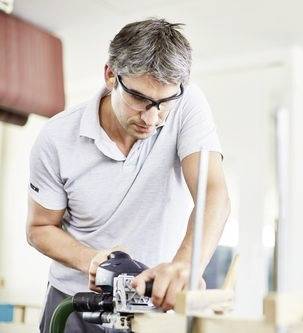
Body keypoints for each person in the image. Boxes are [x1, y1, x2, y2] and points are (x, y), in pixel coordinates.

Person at [26, 18, 230, 333]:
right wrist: (89, 260)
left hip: (154, 305)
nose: (152, 118)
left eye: (164, 104)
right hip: (77, 302)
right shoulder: (56, 137)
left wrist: (183, 267)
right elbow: (40, 228)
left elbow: (213, 194)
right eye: (139, 99)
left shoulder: (187, 103)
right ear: (110, 75)